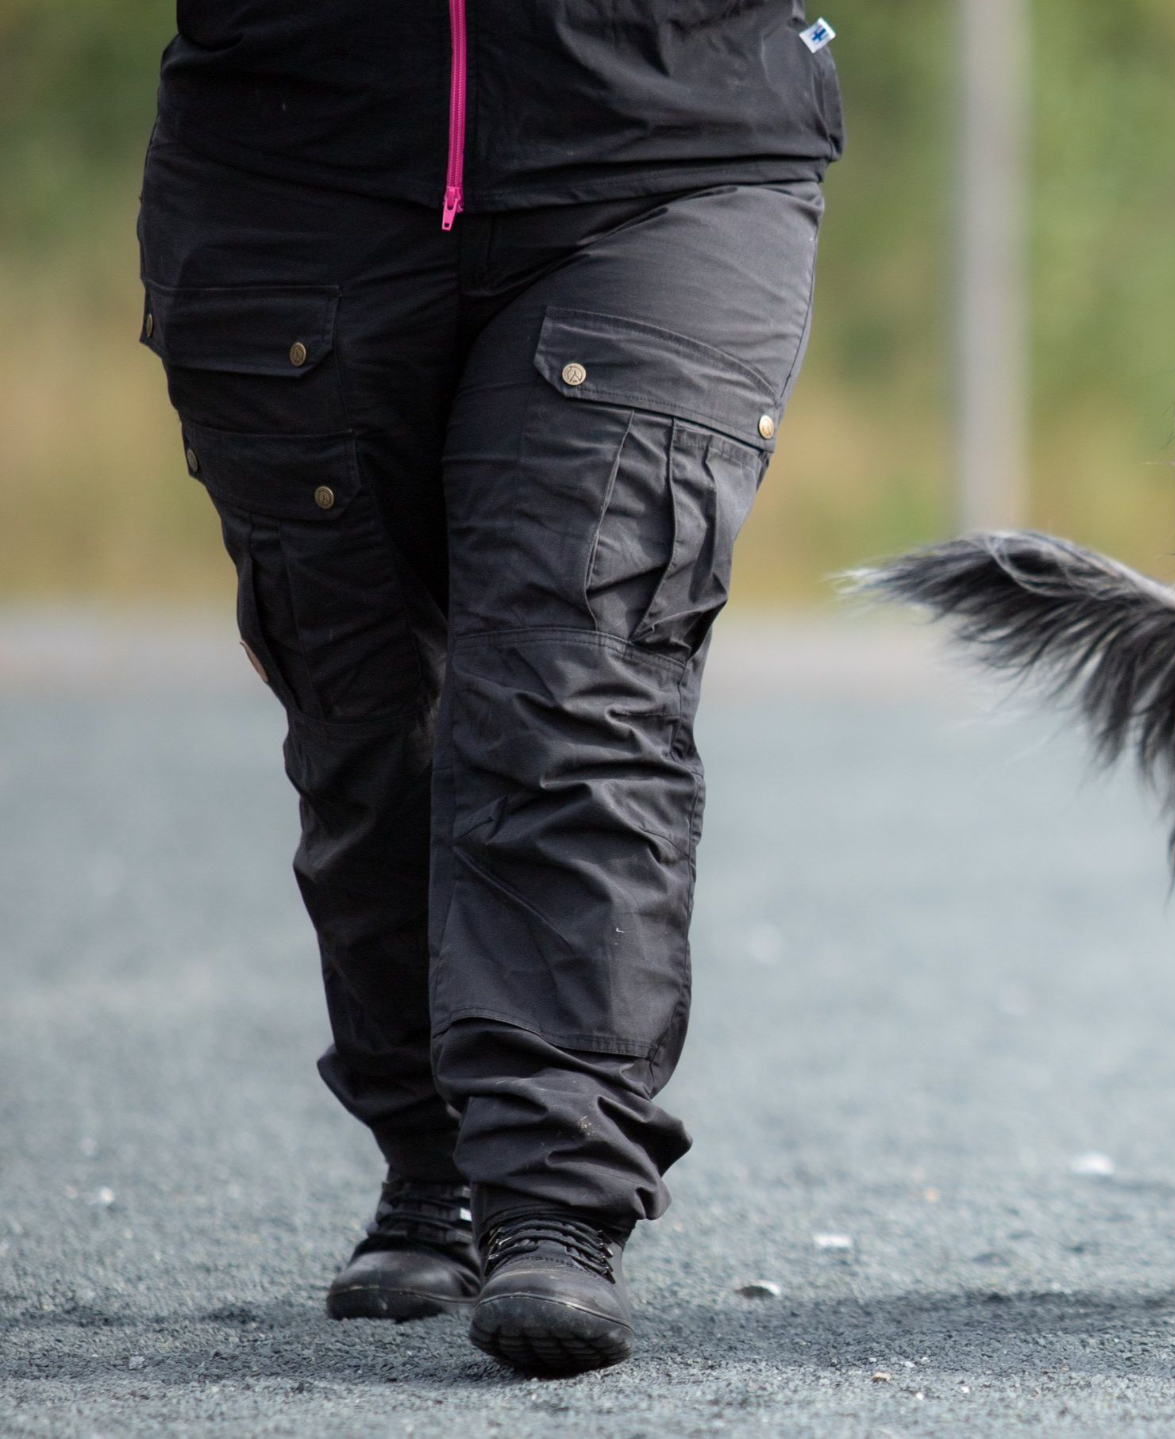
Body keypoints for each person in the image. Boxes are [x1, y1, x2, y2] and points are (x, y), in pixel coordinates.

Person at [137, 1, 841, 1376]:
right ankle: (435, 1157)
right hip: (297, 156)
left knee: (576, 683)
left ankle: (551, 1199)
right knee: (368, 716)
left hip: (668, 144)